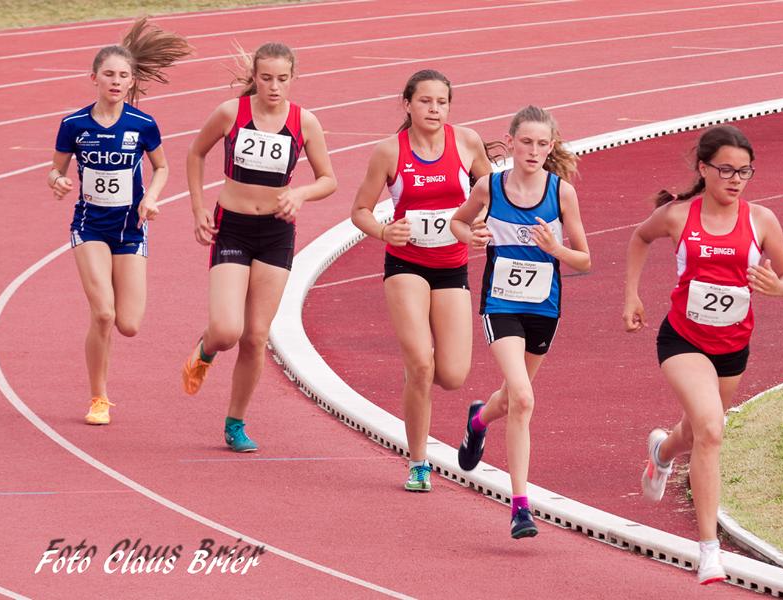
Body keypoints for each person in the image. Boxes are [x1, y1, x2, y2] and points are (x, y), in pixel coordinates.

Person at [622, 125, 783, 584]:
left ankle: (661, 451)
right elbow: (640, 238)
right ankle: (708, 551)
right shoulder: (678, 215)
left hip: (733, 345)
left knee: (696, 430)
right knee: (712, 430)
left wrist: (777, 287)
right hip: (682, 340)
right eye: (726, 170)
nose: (735, 180)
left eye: (744, 171)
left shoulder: (762, 220)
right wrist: (632, 295)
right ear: (703, 169)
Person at [182, 42, 337, 452]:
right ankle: (206, 347)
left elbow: (328, 179)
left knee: (255, 337)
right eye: (266, 78)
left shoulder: (305, 122)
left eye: (282, 79)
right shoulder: (231, 113)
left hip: (275, 232)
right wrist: (198, 208)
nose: (274, 86)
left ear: (293, 77)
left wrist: (300, 193)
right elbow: (196, 153)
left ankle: (235, 423)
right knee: (227, 330)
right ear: (254, 76)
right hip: (232, 227)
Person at [453, 105, 590, 538]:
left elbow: (584, 260)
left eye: (541, 144)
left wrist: (556, 249)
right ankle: (520, 508)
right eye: (526, 142)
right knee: (525, 399)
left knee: (514, 397)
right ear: (510, 142)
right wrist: (472, 235)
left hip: (544, 309)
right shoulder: (489, 187)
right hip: (501, 305)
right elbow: (458, 223)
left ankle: (479, 420)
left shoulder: (561, 193)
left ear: (551, 147)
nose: (533, 150)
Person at [351, 69, 491, 492]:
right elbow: (359, 210)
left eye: (441, 102)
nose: (434, 109)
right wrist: (383, 231)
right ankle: (418, 463)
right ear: (407, 104)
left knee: (452, 375)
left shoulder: (467, 143)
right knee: (421, 363)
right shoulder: (389, 152)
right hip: (406, 265)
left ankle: (419, 379)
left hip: (452, 266)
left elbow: (492, 192)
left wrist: (480, 223)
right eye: (425, 101)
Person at [48, 18, 191, 425]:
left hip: (130, 229)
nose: (115, 81)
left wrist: (152, 197)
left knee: (128, 324)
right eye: (109, 74)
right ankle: (99, 398)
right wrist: (58, 181)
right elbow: (55, 170)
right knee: (104, 315)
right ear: (94, 77)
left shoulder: (142, 124)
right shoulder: (74, 125)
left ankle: (104, 370)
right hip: (90, 227)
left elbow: (162, 167)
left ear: (131, 82)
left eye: (123, 75)